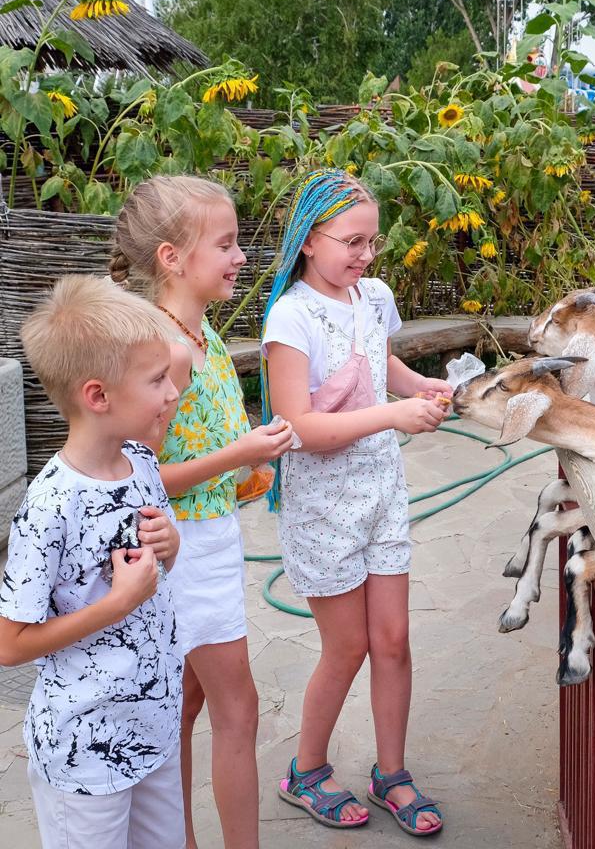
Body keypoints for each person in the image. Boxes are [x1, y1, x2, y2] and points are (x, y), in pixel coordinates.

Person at [261, 169, 450, 836]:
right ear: (308, 240)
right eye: (350, 241)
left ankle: (389, 774)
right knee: (345, 649)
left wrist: (415, 384)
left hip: (380, 494)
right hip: (322, 508)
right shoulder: (289, 317)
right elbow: (300, 430)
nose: (364, 255)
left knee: (392, 641)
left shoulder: (372, 297)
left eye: (371, 242)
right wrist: (394, 418)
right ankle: (306, 770)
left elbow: (376, 362)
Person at [110, 176, 293, 849]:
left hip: (202, 537)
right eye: (226, 243)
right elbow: (138, 477)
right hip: (185, 550)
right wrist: (235, 454)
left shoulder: (199, 332)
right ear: (171, 258)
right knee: (237, 710)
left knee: (184, 706)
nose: (240, 255)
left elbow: (192, 447)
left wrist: (244, 467)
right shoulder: (170, 349)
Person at [0, 275, 183, 849]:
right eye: (157, 381)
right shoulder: (49, 505)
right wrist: (118, 603)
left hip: (153, 728)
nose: (173, 392)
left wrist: (169, 545)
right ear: (98, 396)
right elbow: (11, 643)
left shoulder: (141, 461)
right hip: (85, 754)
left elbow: (157, 565)